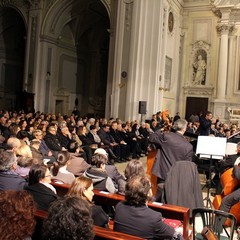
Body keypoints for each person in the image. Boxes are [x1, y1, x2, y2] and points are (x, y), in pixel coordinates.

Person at [149, 119, 194, 201]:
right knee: (171, 200)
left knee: (158, 198)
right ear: (184, 129)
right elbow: (187, 165)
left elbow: (152, 137)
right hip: (177, 177)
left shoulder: (166, 137)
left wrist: (161, 129)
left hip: (163, 173)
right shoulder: (188, 146)